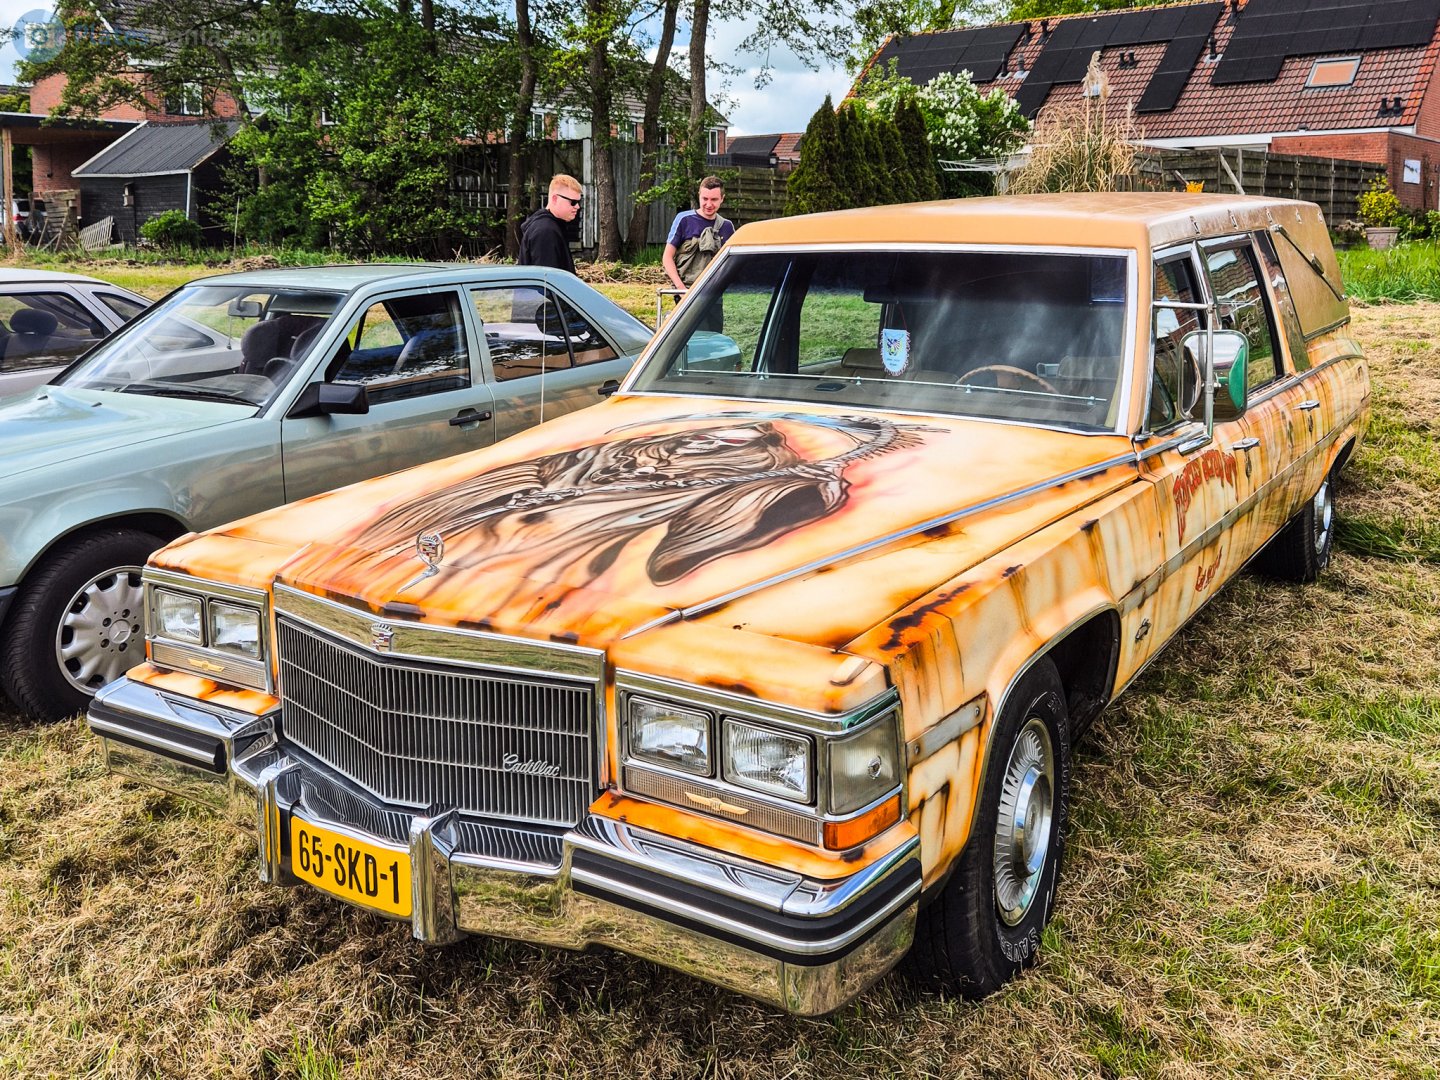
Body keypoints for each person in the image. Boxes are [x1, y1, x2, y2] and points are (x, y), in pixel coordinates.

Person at [662, 176, 735, 294]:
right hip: (685, 291)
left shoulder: (727, 226)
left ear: (722, 198)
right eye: (705, 199)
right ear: (699, 195)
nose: (709, 204)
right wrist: (681, 289)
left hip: (714, 293)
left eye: (714, 199)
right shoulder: (683, 220)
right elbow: (667, 257)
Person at [518, 174, 582, 272]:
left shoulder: (549, 226)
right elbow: (547, 277)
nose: (577, 206)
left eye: (578, 202)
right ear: (555, 199)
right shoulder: (546, 231)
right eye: (573, 202)